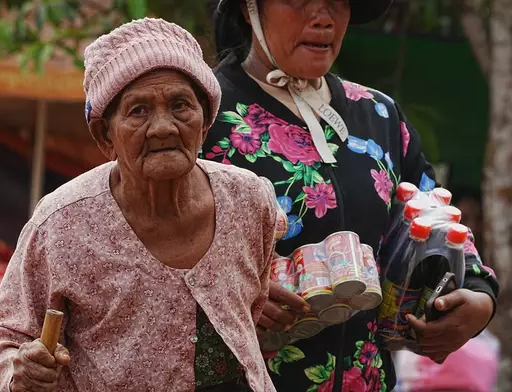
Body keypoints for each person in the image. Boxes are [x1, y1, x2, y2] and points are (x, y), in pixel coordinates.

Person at [0, 18, 283, 392]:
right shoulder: (62, 224)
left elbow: (251, 308)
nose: (163, 127)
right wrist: (16, 369)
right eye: (138, 111)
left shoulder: (250, 199)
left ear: (205, 119)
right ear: (106, 136)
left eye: (181, 105)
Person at [203, 1, 500, 391]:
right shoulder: (202, 113)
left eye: (337, 2)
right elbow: (150, 247)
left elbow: (434, 217)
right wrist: (230, 292)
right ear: (249, 8)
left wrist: (479, 299)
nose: (323, 17)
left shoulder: (378, 115)